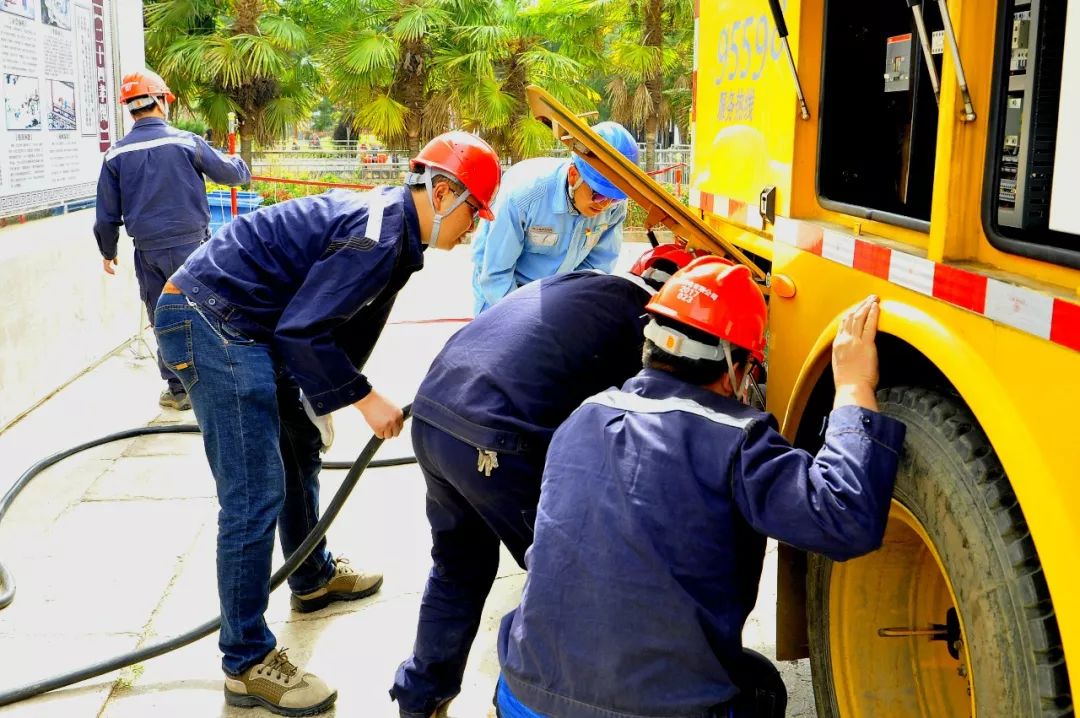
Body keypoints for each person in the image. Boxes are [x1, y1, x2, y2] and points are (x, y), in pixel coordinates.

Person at [153, 132, 501, 717]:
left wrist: (321, 400)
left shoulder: (395, 230)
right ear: (443, 193)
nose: (474, 226)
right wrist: (363, 398)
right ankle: (245, 662)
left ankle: (311, 575)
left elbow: (321, 323)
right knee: (253, 494)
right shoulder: (379, 234)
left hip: (244, 322)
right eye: (474, 211)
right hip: (211, 319)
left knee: (299, 450)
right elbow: (303, 332)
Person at [496, 258, 907, 718]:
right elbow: (845, 515)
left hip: (524, 698)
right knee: (761, 692)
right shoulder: (735, 439)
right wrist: (853, 385)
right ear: (736, 368)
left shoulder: (581, 417)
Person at [391, 244, 703, 718]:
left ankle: (421, 698)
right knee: (562, 580)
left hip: (433, 412)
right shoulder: (640, 325)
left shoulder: (582, 285)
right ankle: (521, 705)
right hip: (491, 436)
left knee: (458, 565)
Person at [94, 69, 250, 411]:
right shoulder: (185, 142)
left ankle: (179, 390)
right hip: (192, 248)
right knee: (207, 310)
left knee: (162, 316)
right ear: (162, 101)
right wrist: (239, 164)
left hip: (147, 251)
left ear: (131, 108)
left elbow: (106, 215)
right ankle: (217, 380)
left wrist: (108, 251)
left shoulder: (115, 155)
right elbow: (232, 174)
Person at [470, 121, 638, 315]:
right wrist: (526, 319)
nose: (605, 204)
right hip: (502, 289)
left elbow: (595, 271)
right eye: (598, 194)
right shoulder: (525, 197)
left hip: (557, 295)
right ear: (574, 175)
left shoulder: (613, 207)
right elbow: (495, 274)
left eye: (615, 198)